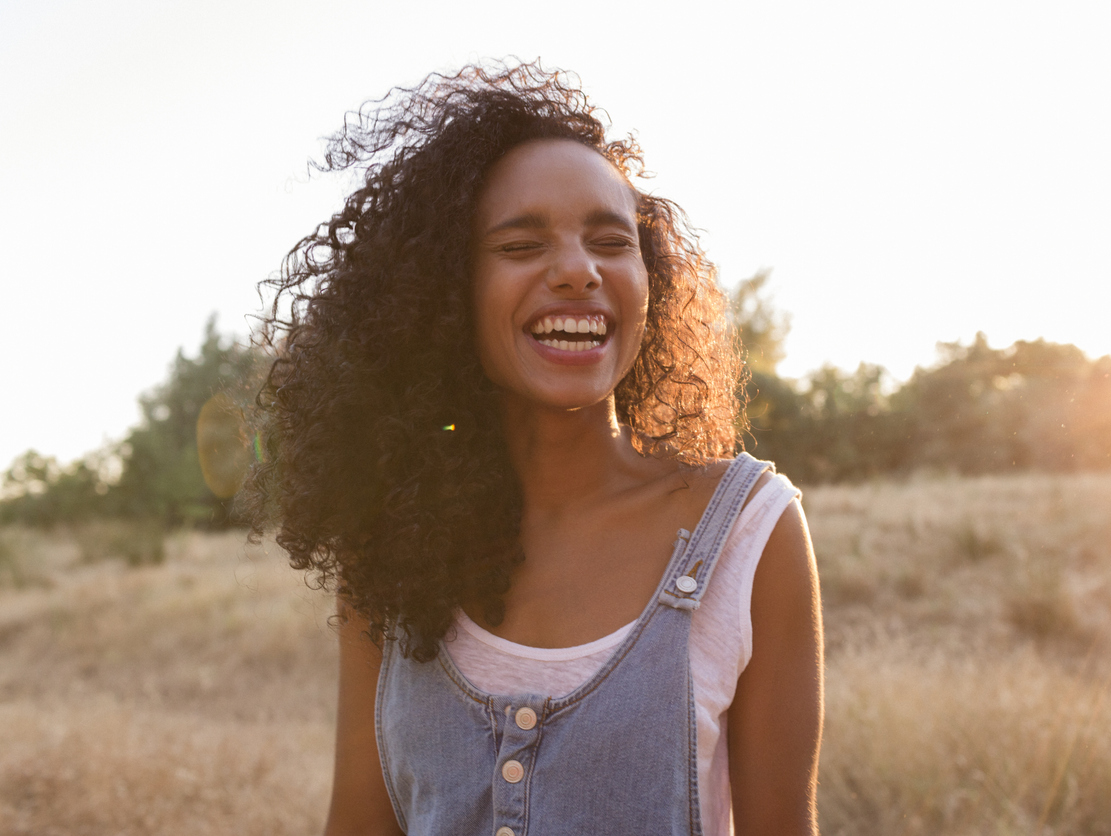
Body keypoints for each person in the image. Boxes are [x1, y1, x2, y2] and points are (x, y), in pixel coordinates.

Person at [245, 61, 823, 836]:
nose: (579, 271)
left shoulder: (749, 533)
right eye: (521, 245)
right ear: (446, 290)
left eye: (610, 242)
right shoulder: (387, 545)